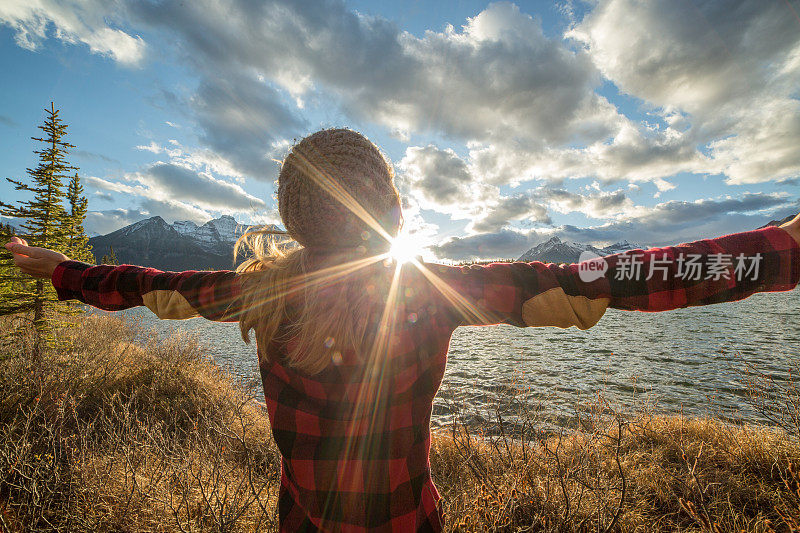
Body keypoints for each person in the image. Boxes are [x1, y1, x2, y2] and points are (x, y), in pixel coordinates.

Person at [5, 128, 800, 532]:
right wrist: (781, 249)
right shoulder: (432, 292)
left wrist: (56, 268)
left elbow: (146, 287)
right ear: (391, 212)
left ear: (292, 220)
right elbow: (616, 280)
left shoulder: (250, 294)